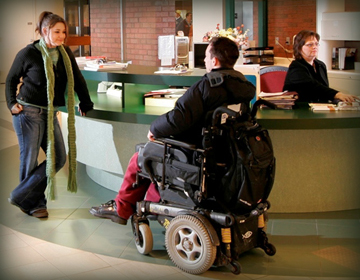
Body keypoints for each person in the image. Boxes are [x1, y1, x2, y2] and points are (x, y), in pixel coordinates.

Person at [89, 36, 256, 225]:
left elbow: (178, 118)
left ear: (215, 61)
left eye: (207, 56)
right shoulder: (245, 87)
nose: (204, 60)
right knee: (155, 157)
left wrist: (154, 129)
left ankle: (122, 208)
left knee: (142, 156)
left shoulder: (207, 86)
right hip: (227, 155)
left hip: (196, 154)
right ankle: (149, 202)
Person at [5, 11, 94, 218]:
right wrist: (11, 103)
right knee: (29, 159)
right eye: (57, 31)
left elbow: (78, 78)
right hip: (27, 112)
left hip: (50, 112)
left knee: (59, 158)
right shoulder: (28, 53)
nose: (62, 36)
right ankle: (34, 204)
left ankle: (20, 194)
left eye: (64, 31)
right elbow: (10, 80)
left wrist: (86, 101)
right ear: (45, 31)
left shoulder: (65, 53)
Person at [283, 30, 358, 103]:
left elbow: (324, 89)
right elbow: (312, 87)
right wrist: (337, 94)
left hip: (319, 107)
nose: (315, 47)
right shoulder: (296, 66)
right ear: (299, 48)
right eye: (310, 44)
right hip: (301, 109)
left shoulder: (320, 65)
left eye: (316, 44)